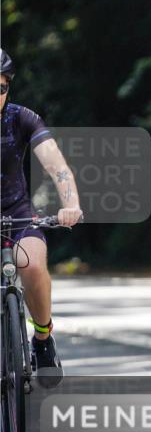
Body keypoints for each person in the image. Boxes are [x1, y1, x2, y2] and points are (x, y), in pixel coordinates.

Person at [0, 48, 83, 388]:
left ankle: (43, 339)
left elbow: (57, 167)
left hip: (17, 214)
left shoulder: (22, 118)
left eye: (2, 87)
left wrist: (71, 204)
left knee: (33, 265)